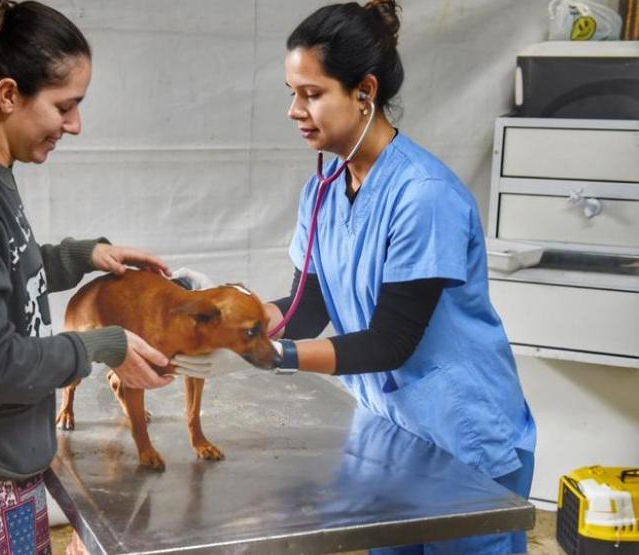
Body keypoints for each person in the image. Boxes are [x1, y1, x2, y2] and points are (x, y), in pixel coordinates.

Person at [172, 2, 536, 554]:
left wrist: (277, 356)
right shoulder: (322, 190)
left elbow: (391, 341)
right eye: (292, 92)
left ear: (364, 91)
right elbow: (307, 303)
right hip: (392, 433)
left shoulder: (423, 196)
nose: (295, 110)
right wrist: (228, 318)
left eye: (312, 93)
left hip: (463, 439)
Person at [0, 1, 174, 553]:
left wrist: (84, 255)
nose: (75, 125)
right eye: (65, 107)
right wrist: (102, 346)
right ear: (8, 95)